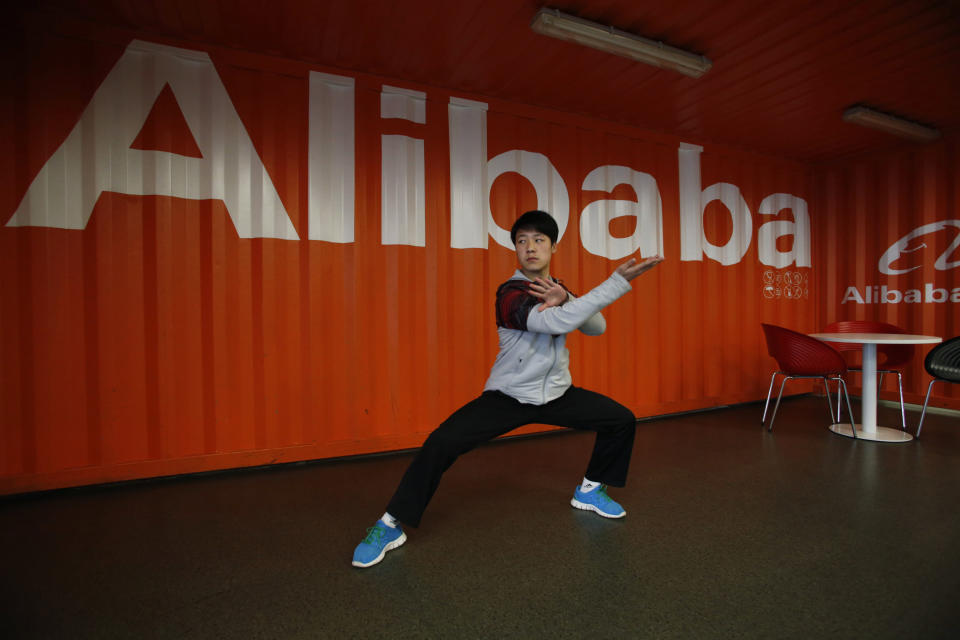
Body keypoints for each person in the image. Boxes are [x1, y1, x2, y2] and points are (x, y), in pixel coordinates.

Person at [352, 210, 663, 568]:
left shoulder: (555, 288)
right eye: (522, 241)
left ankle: (591, 489)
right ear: (515, 249)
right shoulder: (510, 293)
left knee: (620, 420)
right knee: (441, 443)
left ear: (553, 247)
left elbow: (596, 328)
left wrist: (569, 298)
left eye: (539, 240)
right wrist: (613, 284)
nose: (530, 247)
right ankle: (390, 524)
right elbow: (553, 322)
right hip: (510, 397)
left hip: (557, 395)